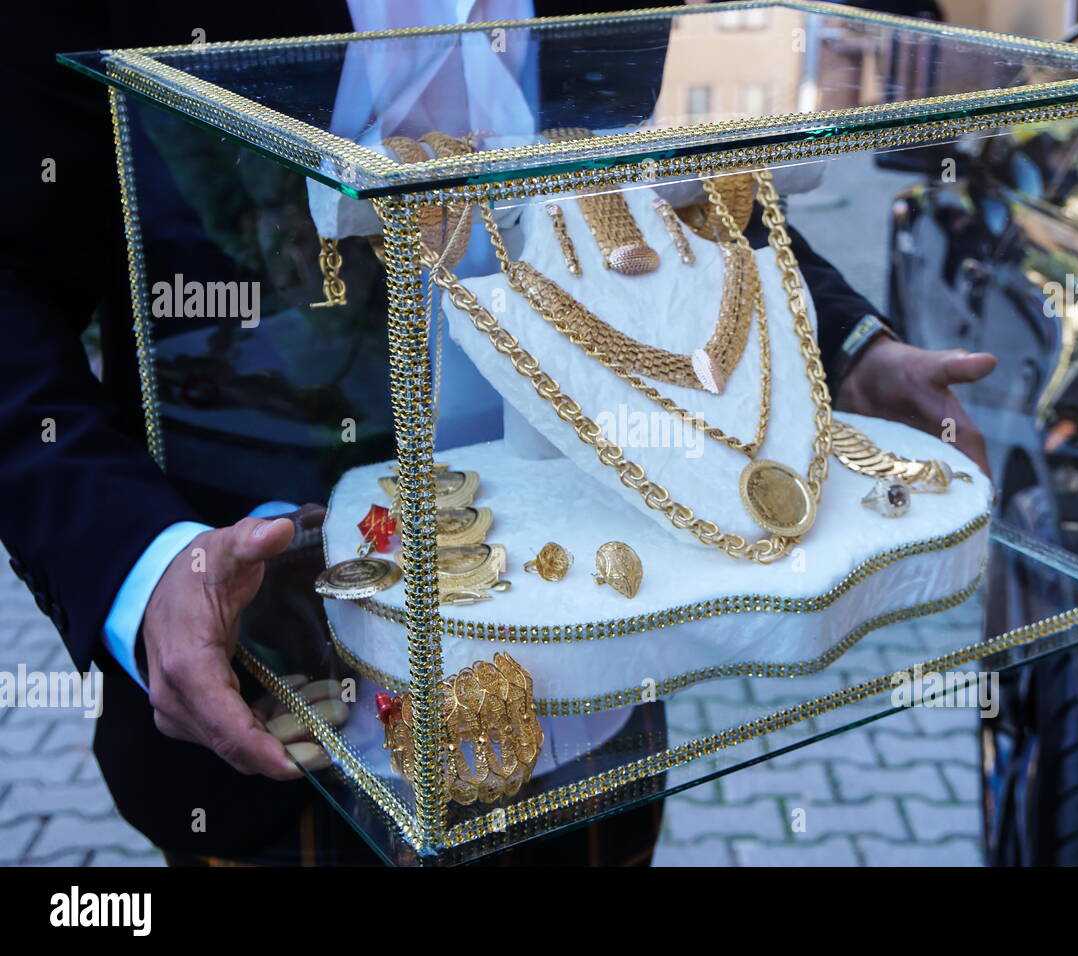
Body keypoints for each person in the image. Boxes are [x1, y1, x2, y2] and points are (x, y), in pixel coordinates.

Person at [0, 0, 993, 866]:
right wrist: (142, 566)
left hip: (599, 666)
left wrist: (842, 341)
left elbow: (651, 176)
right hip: (276, 709)